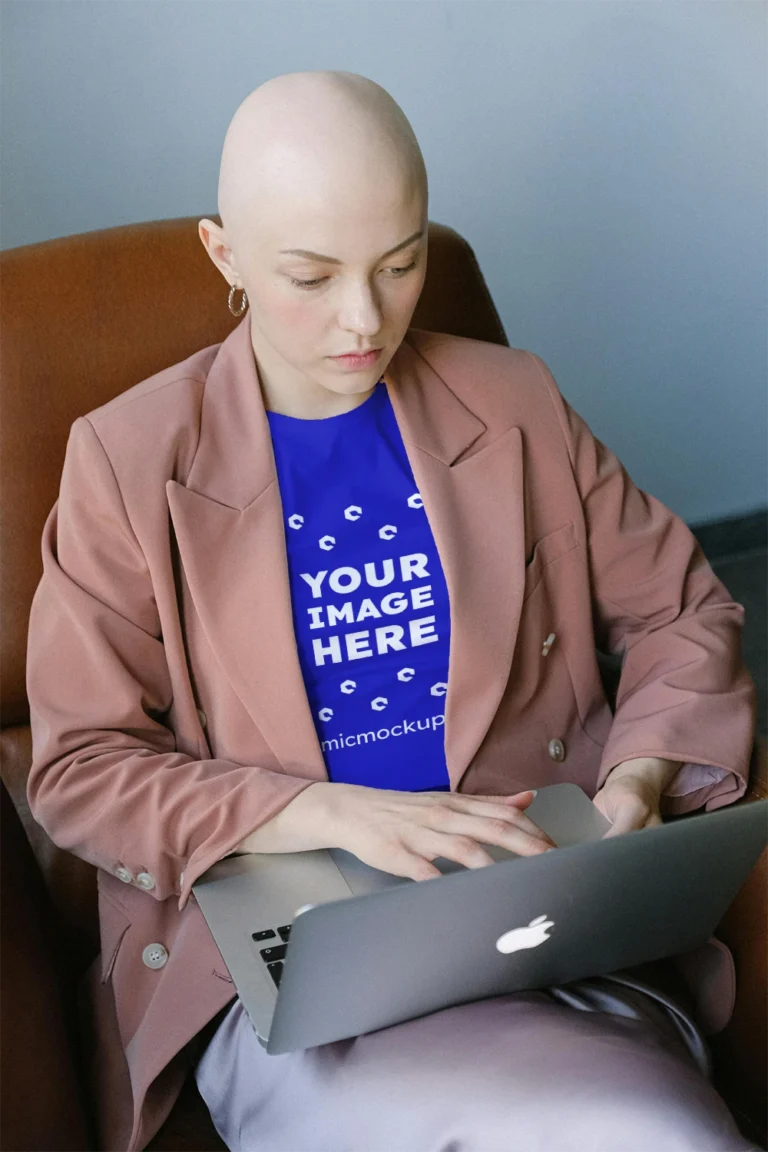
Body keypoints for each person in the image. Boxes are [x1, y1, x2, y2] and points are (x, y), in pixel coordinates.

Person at [24, 70, 758, 1152]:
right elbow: (79, 767)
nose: (364, 321)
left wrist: (637, 781)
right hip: (296, 960)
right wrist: (331, 812)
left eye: (401, 262)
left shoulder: (515, 402)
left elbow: (684, 615)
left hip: (540, 921)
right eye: (311, 277)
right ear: (224, 255)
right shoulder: (129, 462)